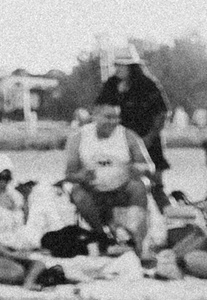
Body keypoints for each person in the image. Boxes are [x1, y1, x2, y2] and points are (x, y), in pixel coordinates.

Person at [63, 99, 159, 257]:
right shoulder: (78, 137)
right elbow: (68, 175)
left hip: (121, 187)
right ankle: (102, 236)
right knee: (77, 193)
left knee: (140, 185)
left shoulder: (128, 135)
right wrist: (81, 176)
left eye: (116, 117)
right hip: (93, 189)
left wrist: (138, 169)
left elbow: (149, 167)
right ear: (95, 116)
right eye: (108, 117)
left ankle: (137, 240)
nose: (113, 122)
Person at [0, 155, 61, 288]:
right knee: (15, 273)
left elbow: (21, 224)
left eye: (7, 178)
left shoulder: (14, 196)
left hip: (10, 247)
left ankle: (28, 282)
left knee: (40, 265)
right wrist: (8, 253)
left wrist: (26, 199)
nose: (3, 183)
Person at [95, 49, 172, 193]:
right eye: (116, 65)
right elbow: (100, 108)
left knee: (155, 184)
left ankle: (164, 208)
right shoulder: (111, 84)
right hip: (120, 142)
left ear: (132, 67)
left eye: (121, 65)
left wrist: (149, 137)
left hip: (147, 139)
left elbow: (162, 113)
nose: (117, 69)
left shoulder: (148, 85)